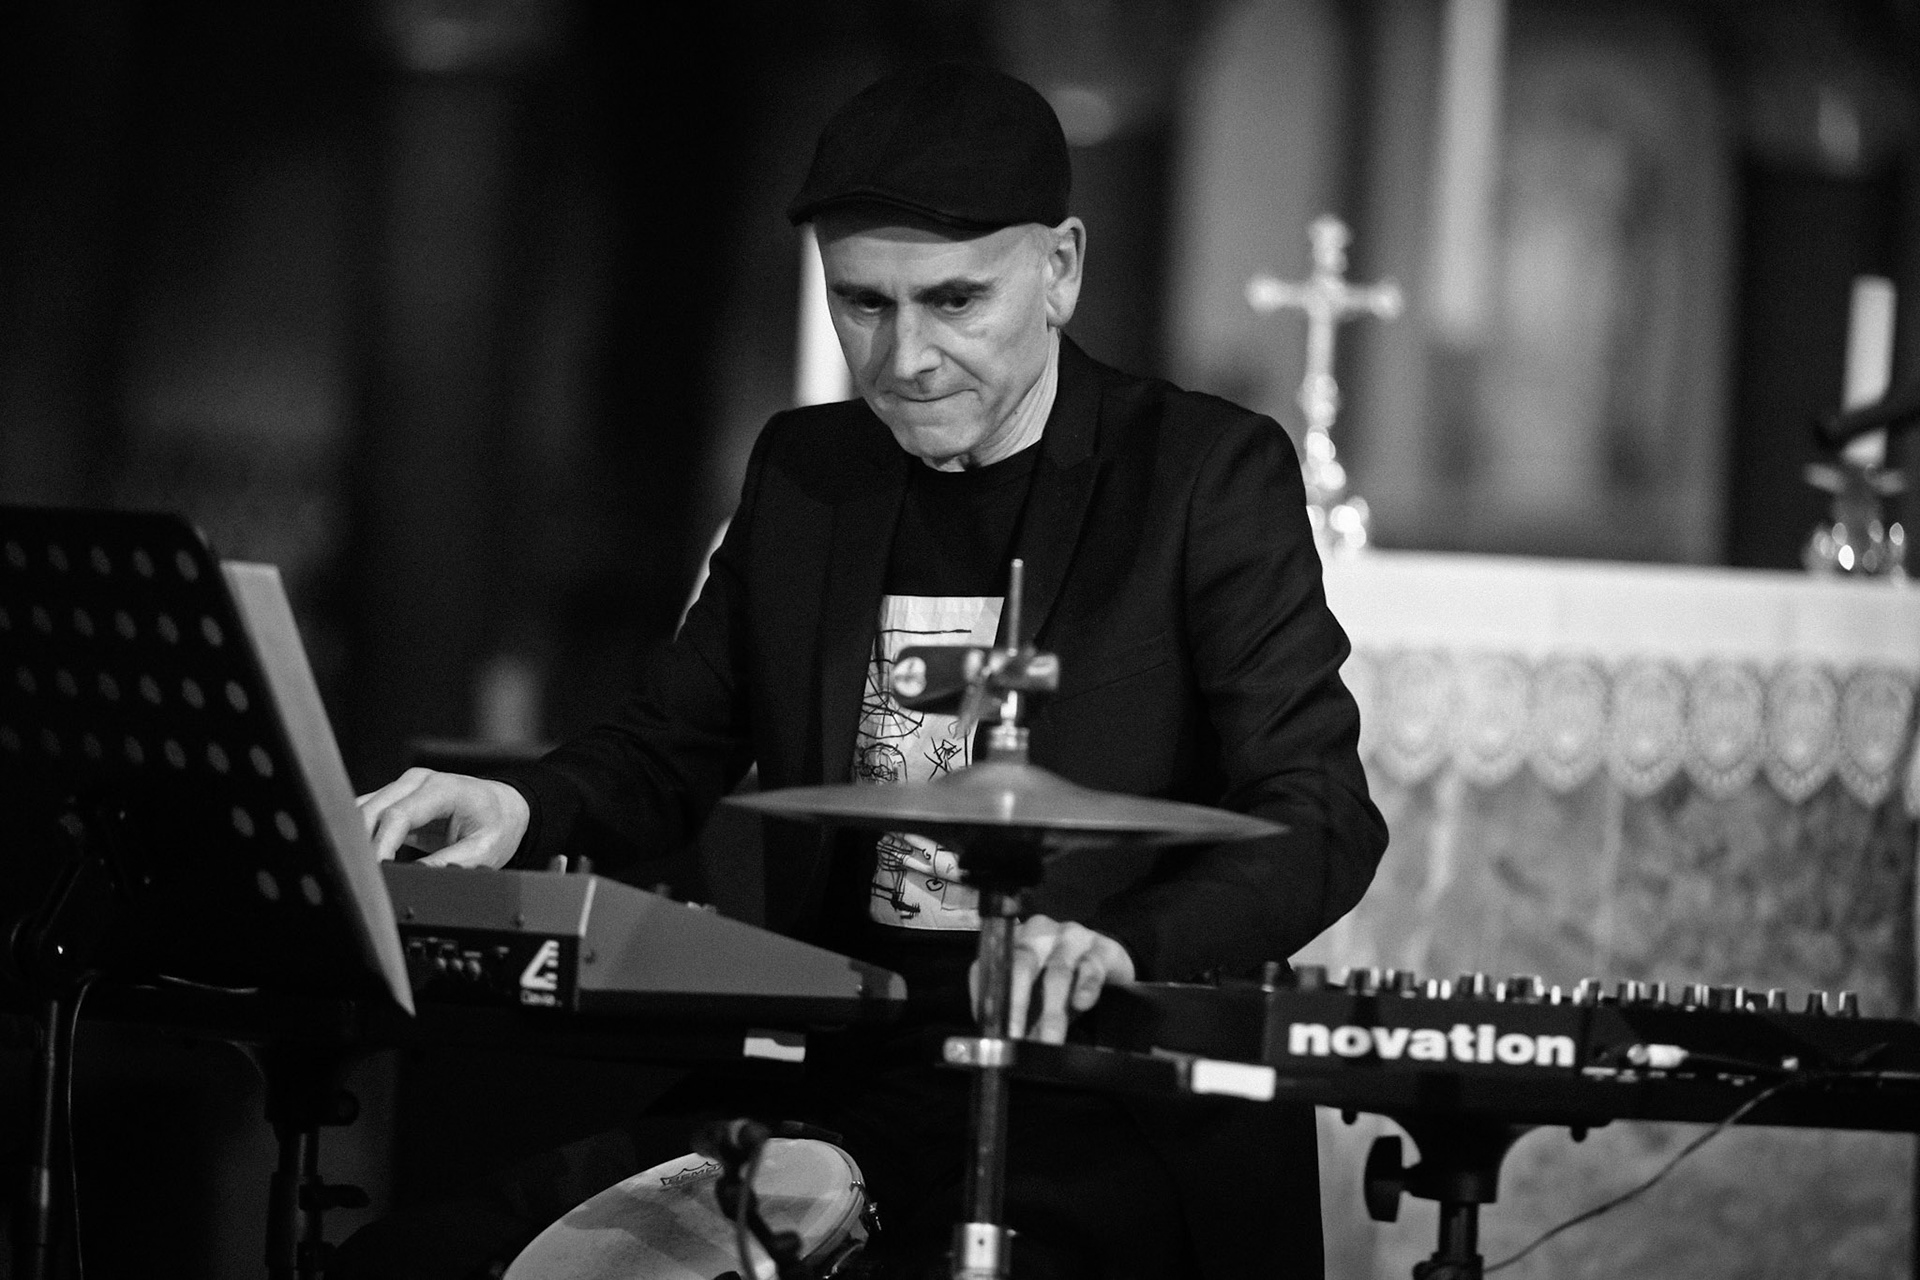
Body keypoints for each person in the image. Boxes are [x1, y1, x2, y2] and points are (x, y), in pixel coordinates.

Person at [338, 62, 1386, 1279]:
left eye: (954, 301)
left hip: (1103, 1092)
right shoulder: (807, 470)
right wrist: (522, 804)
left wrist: (1121, 942)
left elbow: (1318, 816)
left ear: (1061, 270)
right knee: (428, 1256)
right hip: (841, 1071)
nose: (906, 357)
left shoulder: (1202, 475)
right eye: (864, 304)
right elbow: (669, 743)